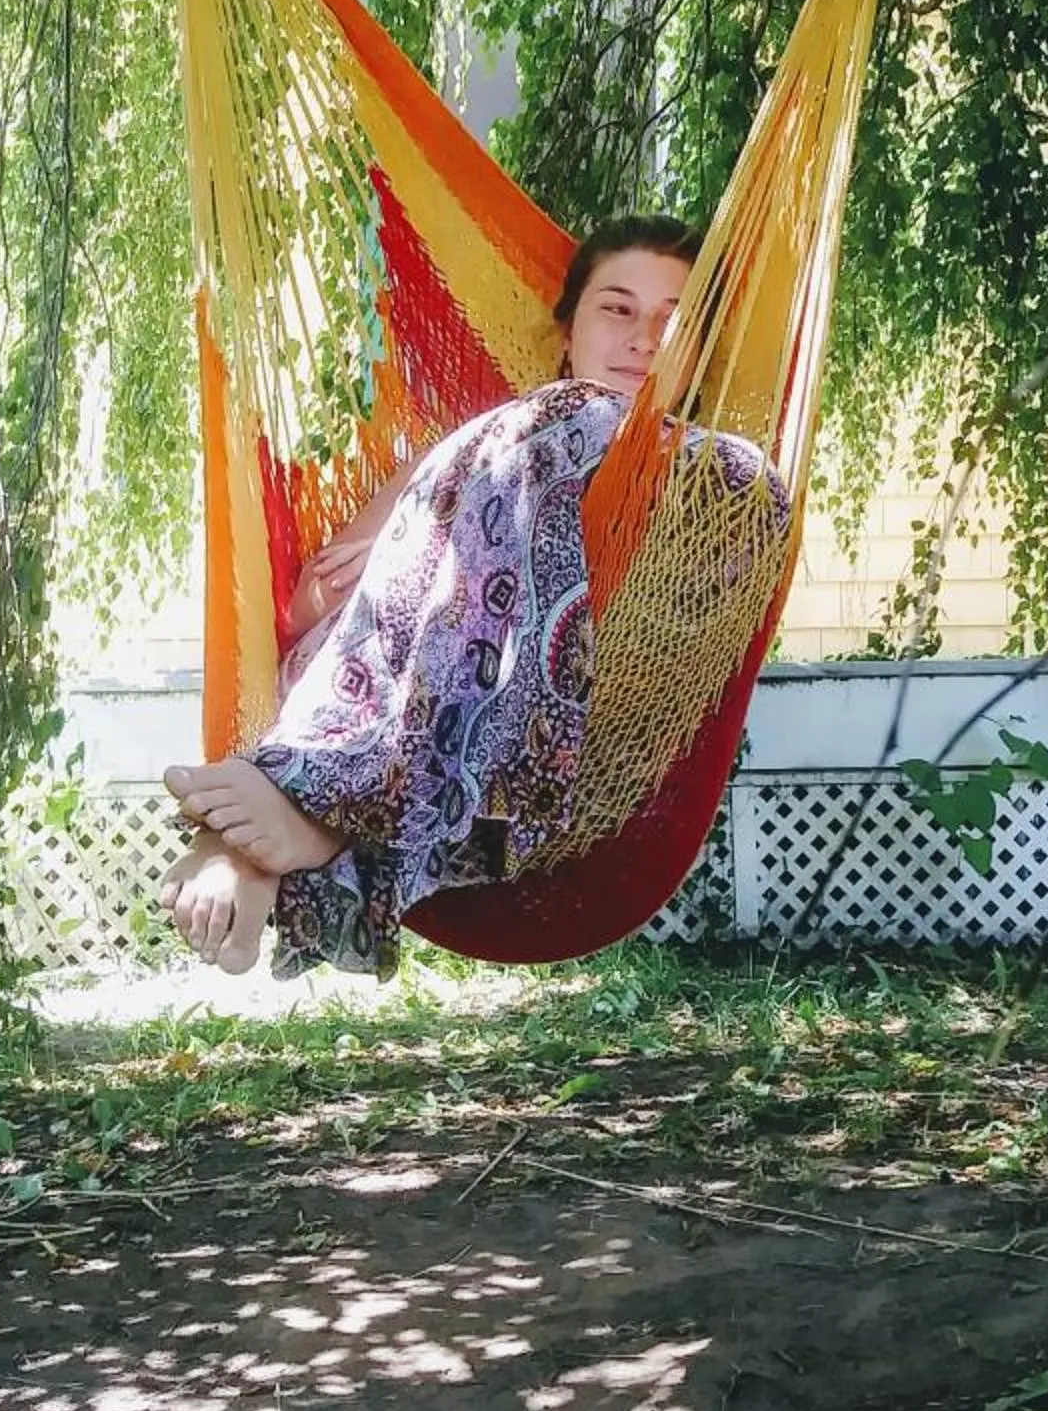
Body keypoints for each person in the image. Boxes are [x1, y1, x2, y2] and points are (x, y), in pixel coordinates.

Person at [160, 214, 750, 979]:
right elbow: (311, 611)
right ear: (568, 328)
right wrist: (400, 549)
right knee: (540, 427)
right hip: (375, 694)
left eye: (674, 321)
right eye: (618, 307)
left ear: (701, 351)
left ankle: (308, 813)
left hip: (527, 734)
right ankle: (264, 845)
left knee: (568, 422)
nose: (643, 336)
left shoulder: (704, 484)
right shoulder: (480, 446)